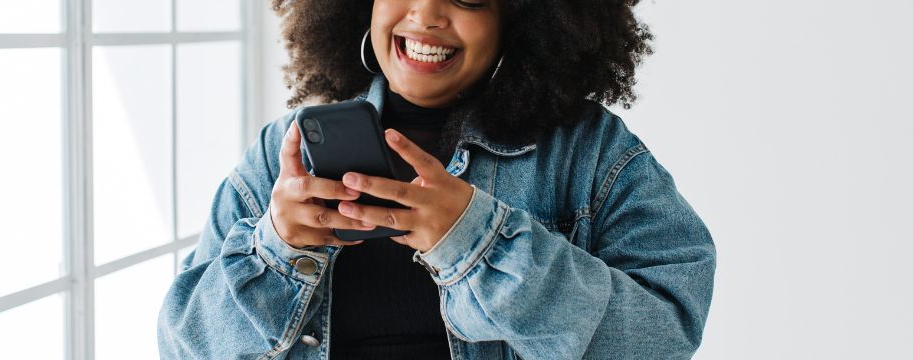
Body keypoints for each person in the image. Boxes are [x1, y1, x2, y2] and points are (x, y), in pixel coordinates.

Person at [157, 0, 716, 359]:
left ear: (516, 18)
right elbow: (181, 348)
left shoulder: (589, 154)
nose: (425, 15)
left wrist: (480, 242)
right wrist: (275, 250)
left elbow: (664, 336)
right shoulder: (287, 153)